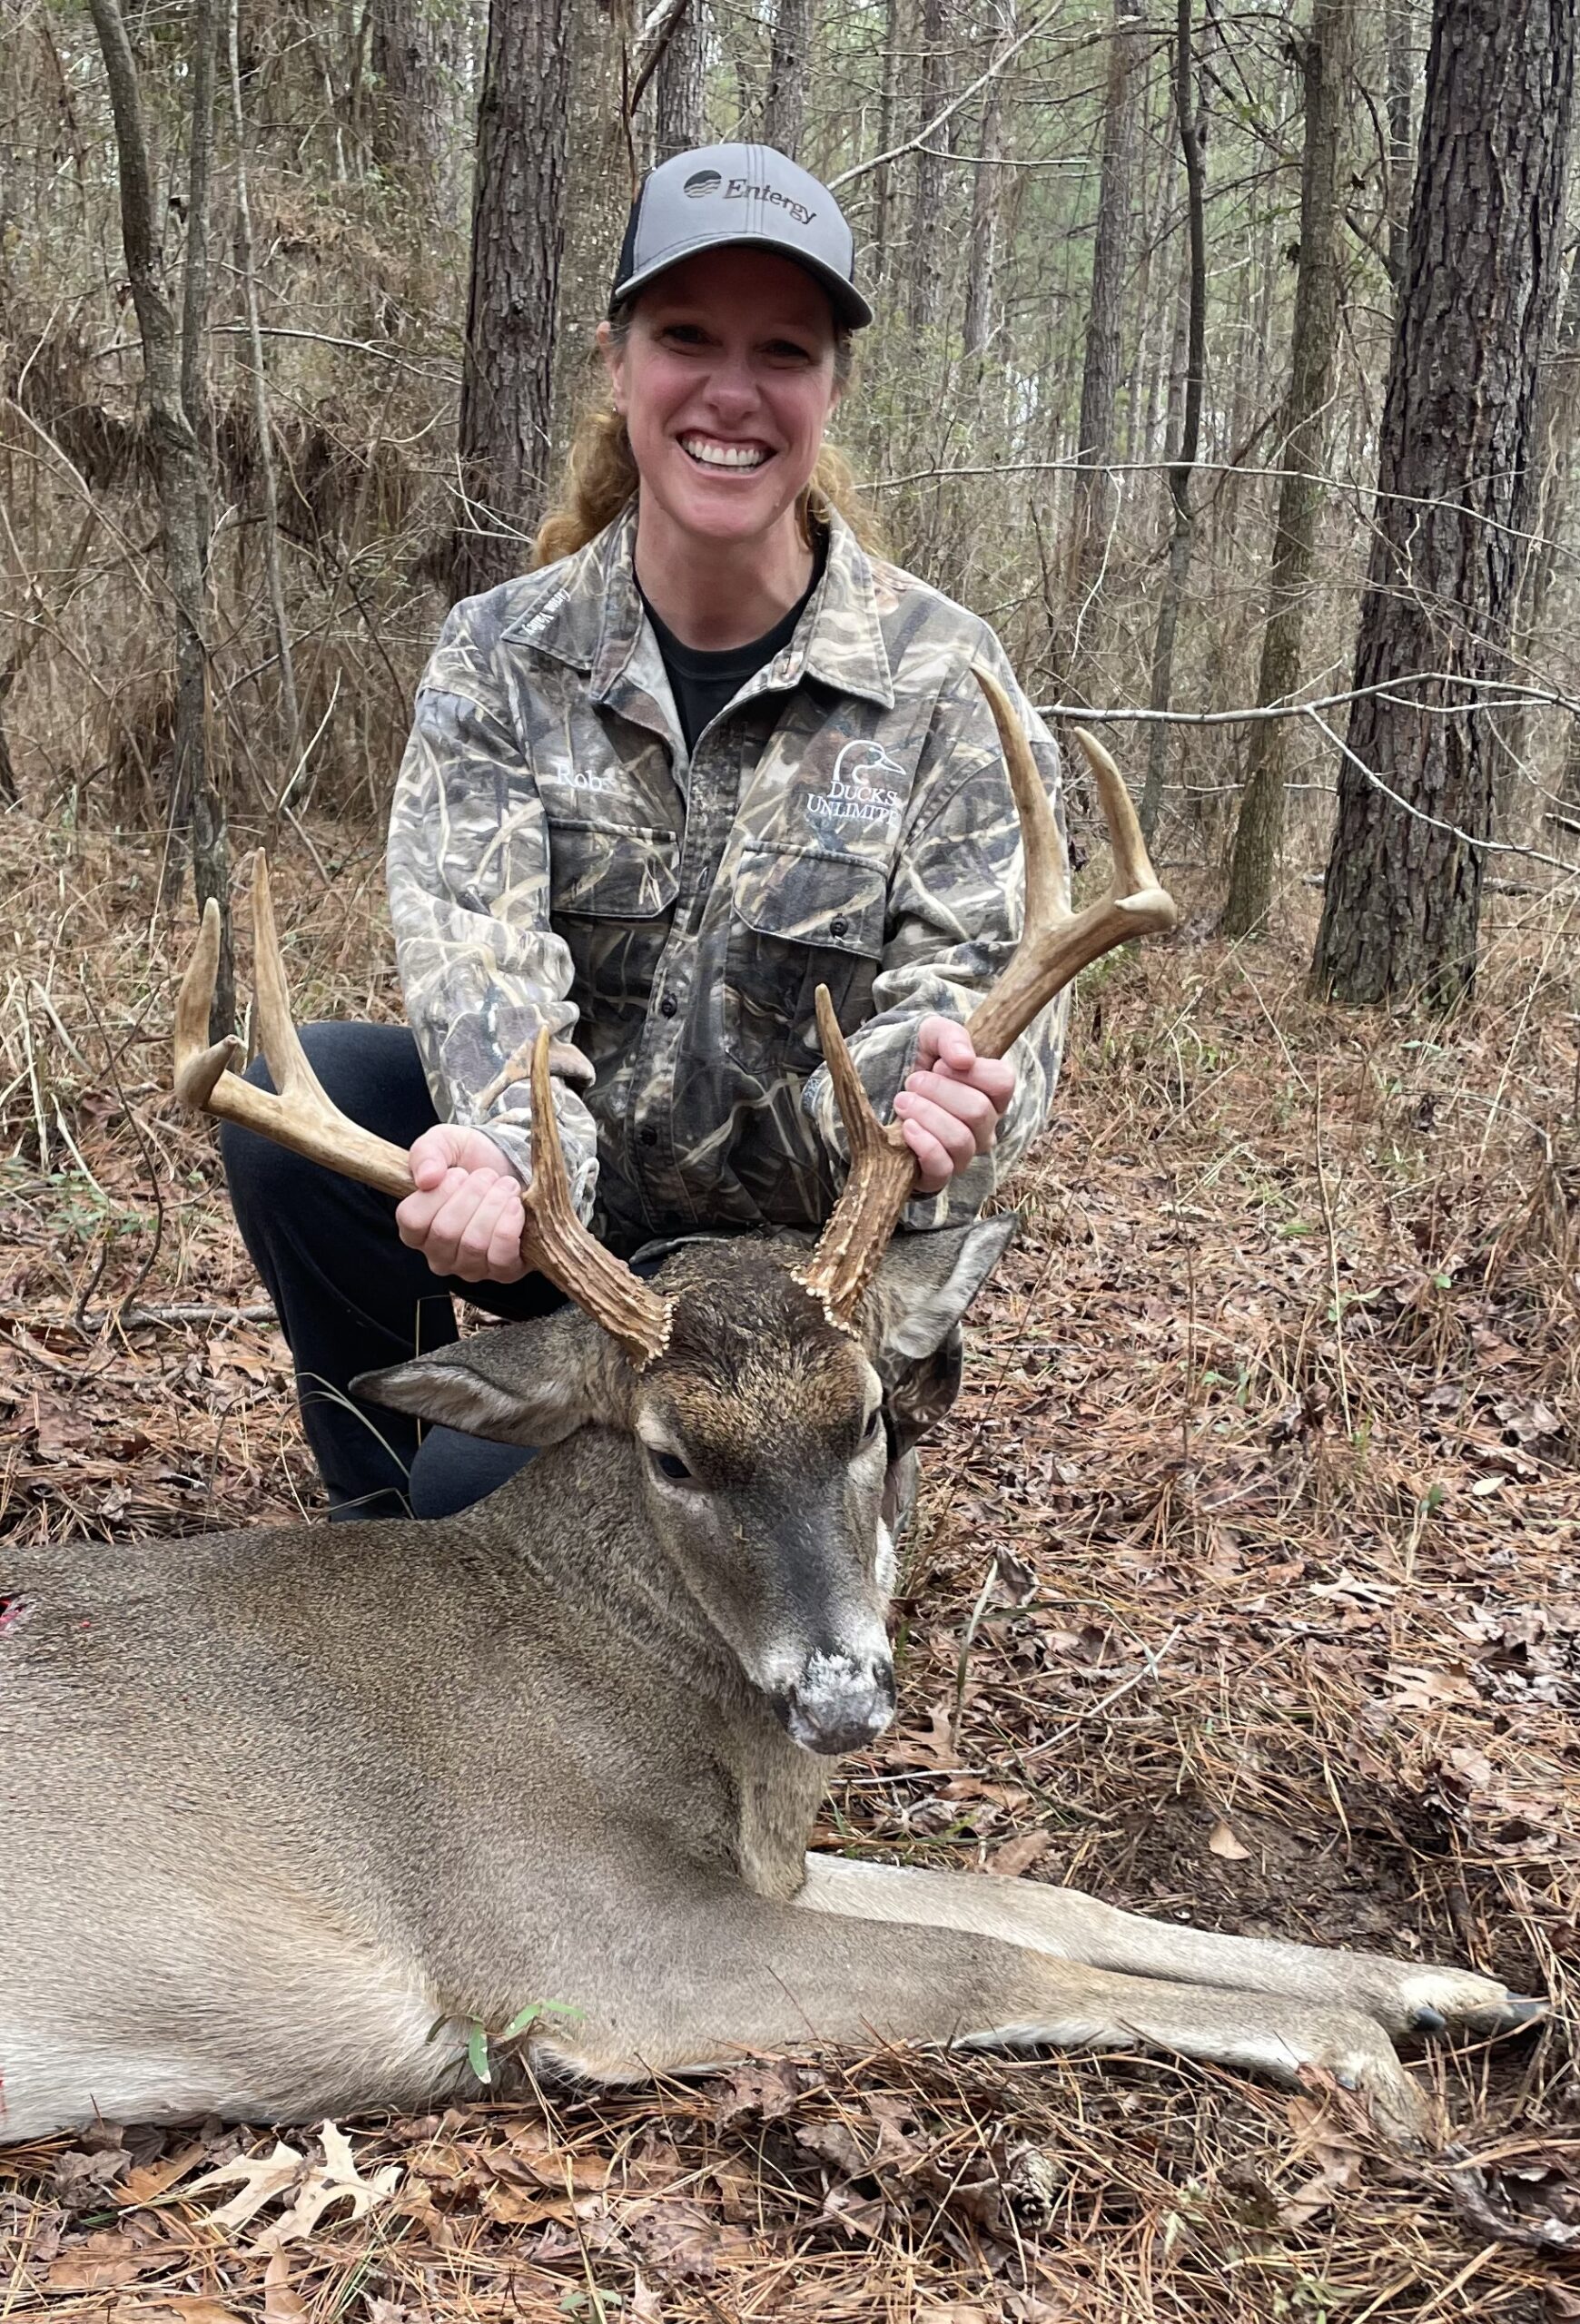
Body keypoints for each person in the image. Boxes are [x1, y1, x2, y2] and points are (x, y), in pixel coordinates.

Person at [223, 142, 1071, 1521]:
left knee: (501, 1505)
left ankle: (758, 1494)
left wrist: (943, 1101)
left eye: (783, 351)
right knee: (302, 1096)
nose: (732, 392)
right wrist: (505, 1159)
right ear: (618, 366)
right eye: (686, 338)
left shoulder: (943, 680)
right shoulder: (502, 656)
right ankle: (377, 1521)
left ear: (831, 391)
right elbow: (481, 969)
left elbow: (987, 1005)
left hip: (804, 1288)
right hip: (574, 1243)